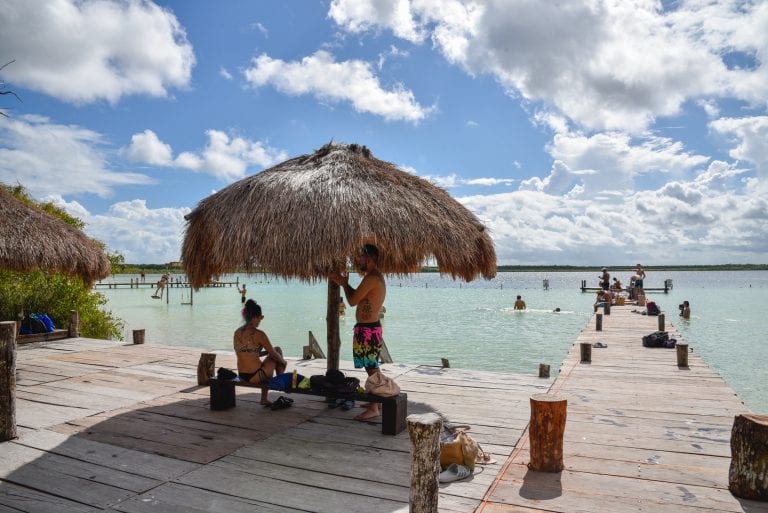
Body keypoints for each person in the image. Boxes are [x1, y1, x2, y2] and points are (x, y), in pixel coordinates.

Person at [329, 244, 387, 421]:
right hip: (367, 328)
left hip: (369, 329)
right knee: (370, 366)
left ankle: (375, 407)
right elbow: (359, 297)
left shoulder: (372, 279)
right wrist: (344, 283)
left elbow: (353, 300)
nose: (358, 261)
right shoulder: (372, 277)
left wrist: (343, 283)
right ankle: (376, 401)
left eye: (360, 258)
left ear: (369, 259)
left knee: (371, 366)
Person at [233, 299, 287, 406]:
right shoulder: (259, 334)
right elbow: (273, 354)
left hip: (242, 374)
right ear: (254, 317)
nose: (260, 321)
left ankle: (264, 399)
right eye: (259, 318)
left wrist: (265, 354)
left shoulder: (237, 333)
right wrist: (283, 362)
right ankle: (282, 382)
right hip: (256, 375)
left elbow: (246, 353)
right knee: (277, 350)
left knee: (269, 357)